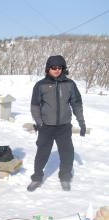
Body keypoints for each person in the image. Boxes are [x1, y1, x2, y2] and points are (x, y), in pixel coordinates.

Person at [27, 55, 85, 192]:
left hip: (64, 126)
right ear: (48, 69)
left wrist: (81, 121)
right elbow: (35, 105)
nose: (57, 70)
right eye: (54, 68)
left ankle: (65, 177)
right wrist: (40, 122)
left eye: (60, 68)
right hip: (46, 126)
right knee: (42, 153)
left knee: (67, 153)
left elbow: (76, 103)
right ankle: (37, 178)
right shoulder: (41, 85)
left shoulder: (69, 84)